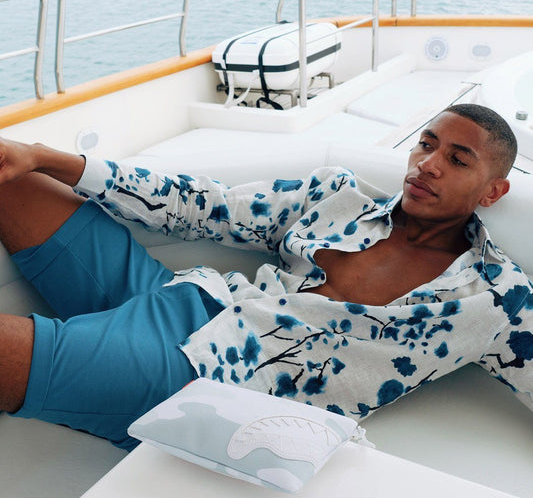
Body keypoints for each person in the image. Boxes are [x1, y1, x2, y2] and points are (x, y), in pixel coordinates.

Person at [0, 103, 531, 451]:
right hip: (185, 297)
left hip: (207, 384)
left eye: (458, 160)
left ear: (493, 191)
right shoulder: (337, 198)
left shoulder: (497, 301)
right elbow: (204, 206)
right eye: (426, 144)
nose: (428, 164)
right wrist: (43, 156)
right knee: (10, 176)